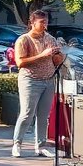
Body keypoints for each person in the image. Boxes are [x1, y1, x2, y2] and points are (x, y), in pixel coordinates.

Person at [11, 10, 62, 158]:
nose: (45, 24)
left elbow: (56, 61)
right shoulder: (23, 40)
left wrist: (59, 54)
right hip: (30, 80)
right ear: (32, 23)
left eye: (46, 22)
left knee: (43, 115)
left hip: (48, 80)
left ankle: (41, 146)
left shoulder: (51, 39)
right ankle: (17, 144)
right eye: (41, 22)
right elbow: (20, 62)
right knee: (27, 113)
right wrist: (42, 55)